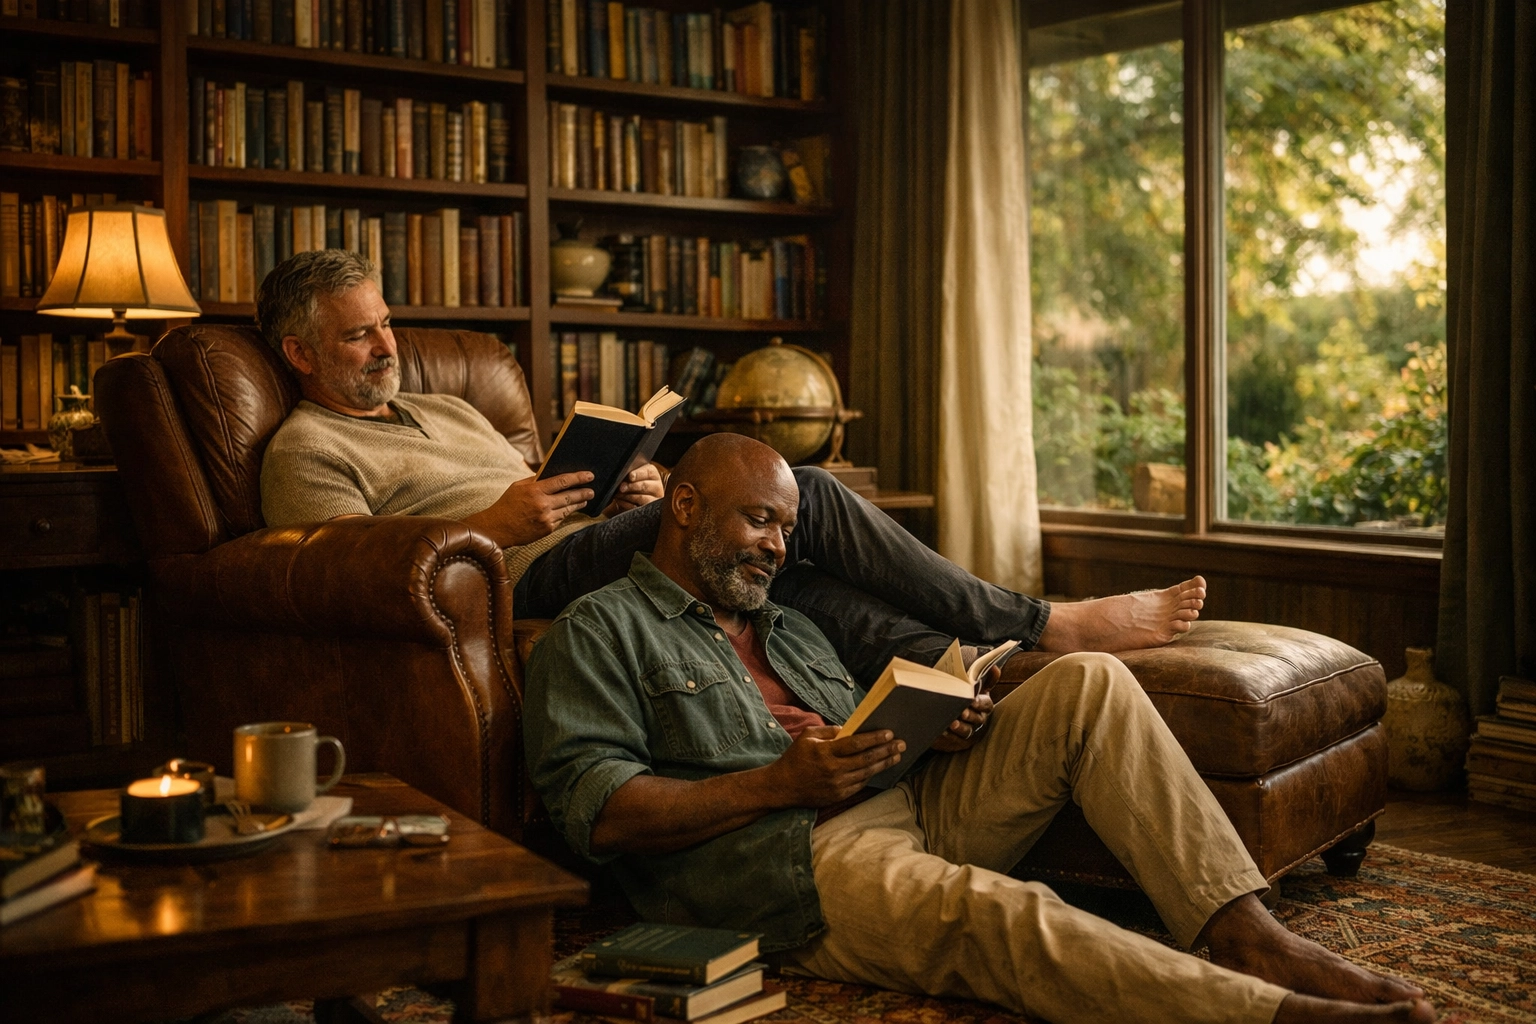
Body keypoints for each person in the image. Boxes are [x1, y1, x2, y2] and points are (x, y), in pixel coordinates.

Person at [523, 434, 1436, 1024]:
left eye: (787, 530)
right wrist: (779, 784)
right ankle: (1265, 1014)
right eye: (759, 520)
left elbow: (857, 732)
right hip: (786, 866)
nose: (776, 547)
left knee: (1088, 680)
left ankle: (1243, 928)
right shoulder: (598, 630)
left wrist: (932, 725)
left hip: (897, 801)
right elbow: (599, 814)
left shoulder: (785, 620)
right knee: (1008, 916)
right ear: (683, 508)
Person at [256, 249, 1206, 680]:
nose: (387, 346)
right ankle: (1044, 621)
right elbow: (346, 582)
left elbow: (543, 488)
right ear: (299, 353)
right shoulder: (308, 449)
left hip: (584, 540)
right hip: (523, 577)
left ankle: (975, 667)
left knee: (784, 577)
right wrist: (489, 529)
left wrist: (616, 490)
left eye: (386, 324)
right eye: (357, 336)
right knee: (807, 493)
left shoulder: (449, 405)